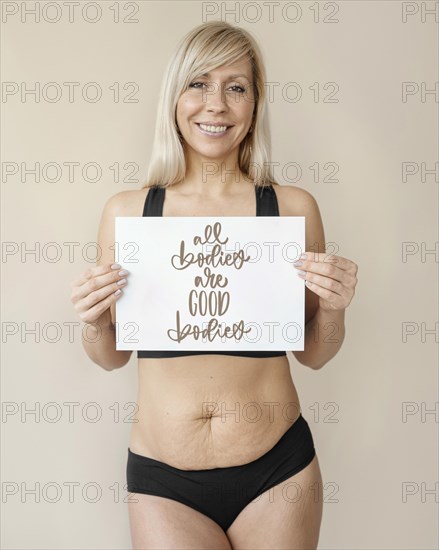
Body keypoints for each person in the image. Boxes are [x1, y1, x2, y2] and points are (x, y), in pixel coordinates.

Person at [70, 20, 358, 550]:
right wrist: (92, 320)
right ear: (175, 98)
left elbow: (314, 354)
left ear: (255, 103)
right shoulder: (128, 213)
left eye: (236, 87)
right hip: (164, 480)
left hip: (278, 470)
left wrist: (336, 310)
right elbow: (111, 356)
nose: (216, 104)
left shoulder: (291, 208)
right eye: (198, 83)